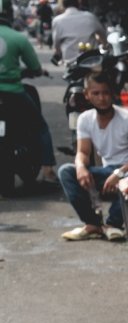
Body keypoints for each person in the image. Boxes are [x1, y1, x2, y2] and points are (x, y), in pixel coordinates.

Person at [57, 71, 128, 239]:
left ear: (112, 94)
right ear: (87, 95)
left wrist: (119, 173)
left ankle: (112, 224)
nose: (102, 98)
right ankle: (93, 224)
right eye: (96, 93)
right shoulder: (85, 119)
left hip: (127, 171)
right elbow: (83, 151)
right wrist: (81, 166)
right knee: (66, 171)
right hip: (104, 173)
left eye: (105, 93)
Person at [0, 14, 50, 193]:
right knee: (40, 127)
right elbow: (35, 67)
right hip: (14, 93)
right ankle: (49, 168)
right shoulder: (18, 38)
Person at [50, 0, 100, 65]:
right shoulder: (90, 16)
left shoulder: (57, 20)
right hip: (93, 59)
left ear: (63, 5)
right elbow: (102, 35)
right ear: (79, 4)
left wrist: (58, 53)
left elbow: (56, 44)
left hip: (71, 61)